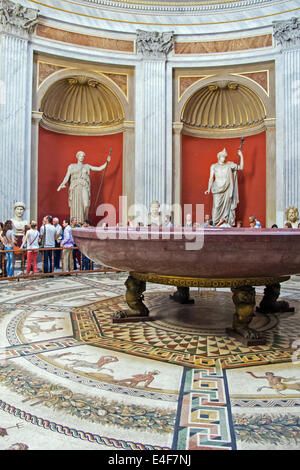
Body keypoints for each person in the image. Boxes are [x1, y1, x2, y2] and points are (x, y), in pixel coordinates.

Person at [57, 150, 111, 224]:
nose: (82, 157)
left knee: (86, 204)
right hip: (75, 187)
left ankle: (84, 221)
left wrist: (107, 162)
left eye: (83, 156)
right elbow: (67, 177)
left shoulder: (87, 166)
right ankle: (76, 221)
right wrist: (61, 184)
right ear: (77, 157)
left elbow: (98, 168)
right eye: (80, 156)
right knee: (76, 204)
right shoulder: (72, 166)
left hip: (84, 186)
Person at [205, 147, 244, 226]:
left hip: (227, 189)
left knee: (228, 209)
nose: (224, 158)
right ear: (219, 157)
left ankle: (227, 224)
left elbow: (241, 167)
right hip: (217, 189)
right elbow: (211, 178)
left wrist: (241, 155)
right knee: (216, 207)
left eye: (225, 157)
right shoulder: (214, 166)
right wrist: (208, 189)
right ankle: (215, 225)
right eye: (222, 156)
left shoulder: (229, 165)